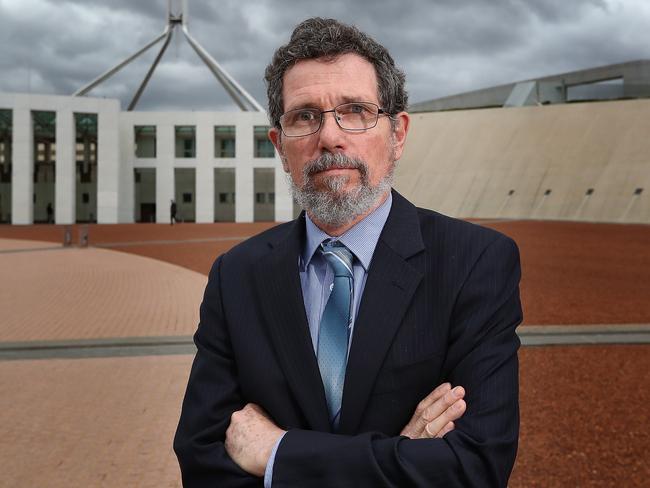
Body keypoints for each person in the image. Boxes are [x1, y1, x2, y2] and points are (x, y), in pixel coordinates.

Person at [174, 18, 522, 487]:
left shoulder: (475, 264)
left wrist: (278, 452)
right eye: (305, 116)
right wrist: (401, 457)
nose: (330, 137)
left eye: (355, 110)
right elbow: (203, 463)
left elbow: (473, 467)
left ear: (397, 133)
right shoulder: (236, 276)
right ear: (280, 146)